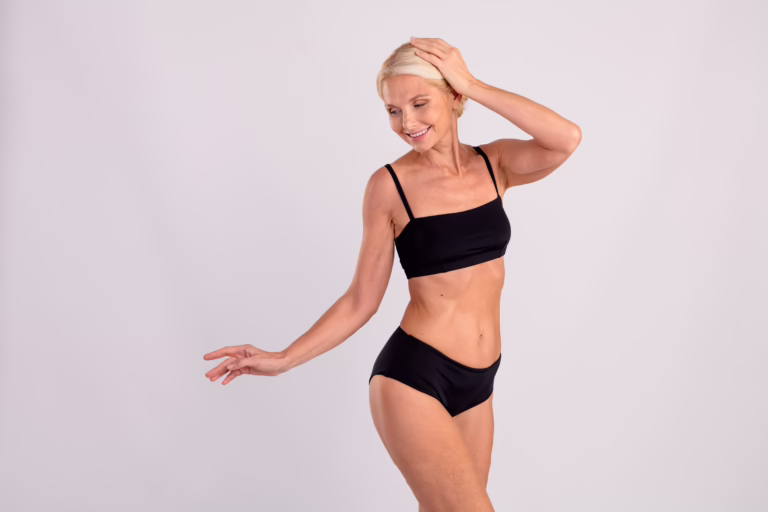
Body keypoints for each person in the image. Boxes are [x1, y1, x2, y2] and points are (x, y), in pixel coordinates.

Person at [203, 37, 581, 511]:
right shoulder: (389, 187)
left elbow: (565, 138)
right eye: (393, 111)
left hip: (479, 380)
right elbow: (361, 300)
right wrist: (284, 358)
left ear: (454, 99)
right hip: (415, 377)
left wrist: (474, 83)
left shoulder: (495, 164)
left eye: (420, 103)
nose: (407, 123)